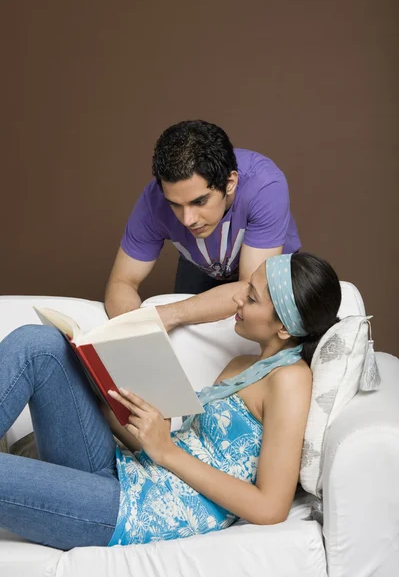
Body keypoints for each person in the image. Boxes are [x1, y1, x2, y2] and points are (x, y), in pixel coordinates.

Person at [0, 252, 341, 550]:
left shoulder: (291, 380)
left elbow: (271, 507)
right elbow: (166, 448)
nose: (237, 298)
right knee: (40, 344)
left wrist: (166, 450)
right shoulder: (241, 365)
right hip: (127, 469)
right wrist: (101, 392)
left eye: (251, 298)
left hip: (134, 512)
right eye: (247, 286)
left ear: (284, 328)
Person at [105, 120, 301, 331]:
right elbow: (122, 281)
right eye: (175, 205)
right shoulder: (154, 201)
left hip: (265, 273)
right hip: (202, 266)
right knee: (184, 340)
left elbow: (249, 287)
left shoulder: (265, 185)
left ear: (230, 183)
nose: (187, 219)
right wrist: (131, 328)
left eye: (199, 201)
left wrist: (168, 315)